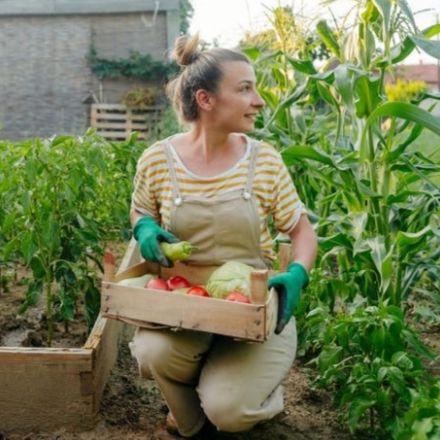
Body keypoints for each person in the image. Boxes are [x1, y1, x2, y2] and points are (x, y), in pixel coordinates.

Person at [128, 34, 318, 439]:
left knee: (231, 410)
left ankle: (247, 396)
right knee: (150, 352)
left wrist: (298, 273)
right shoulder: (158, 160)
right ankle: (195, 423)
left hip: (251, 311)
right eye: (245, 88)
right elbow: (142, 208)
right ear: (205, 99)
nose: (259, 100)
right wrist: (143, 224)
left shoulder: (263, 161)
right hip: (185, 309)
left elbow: (302, 232)